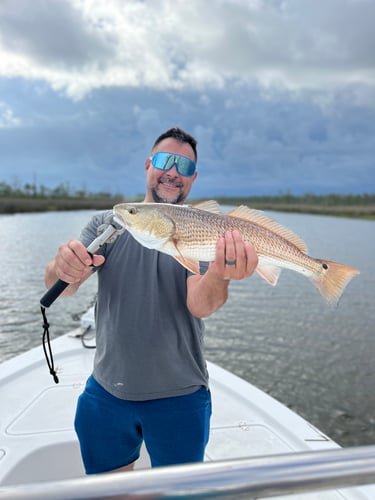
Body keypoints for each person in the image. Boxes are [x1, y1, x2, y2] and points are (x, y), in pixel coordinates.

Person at [44, 126, 258, 474]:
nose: (173, 173)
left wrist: (220, 272)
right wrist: (61, 266)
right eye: (165, 161)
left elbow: (200, 305)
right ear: (148, 165)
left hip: (181, 396)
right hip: (106, 393)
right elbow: (64, 285)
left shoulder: (203, 233)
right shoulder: (107, 224)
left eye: (185, 167)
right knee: (108, 491)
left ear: (193, 179)